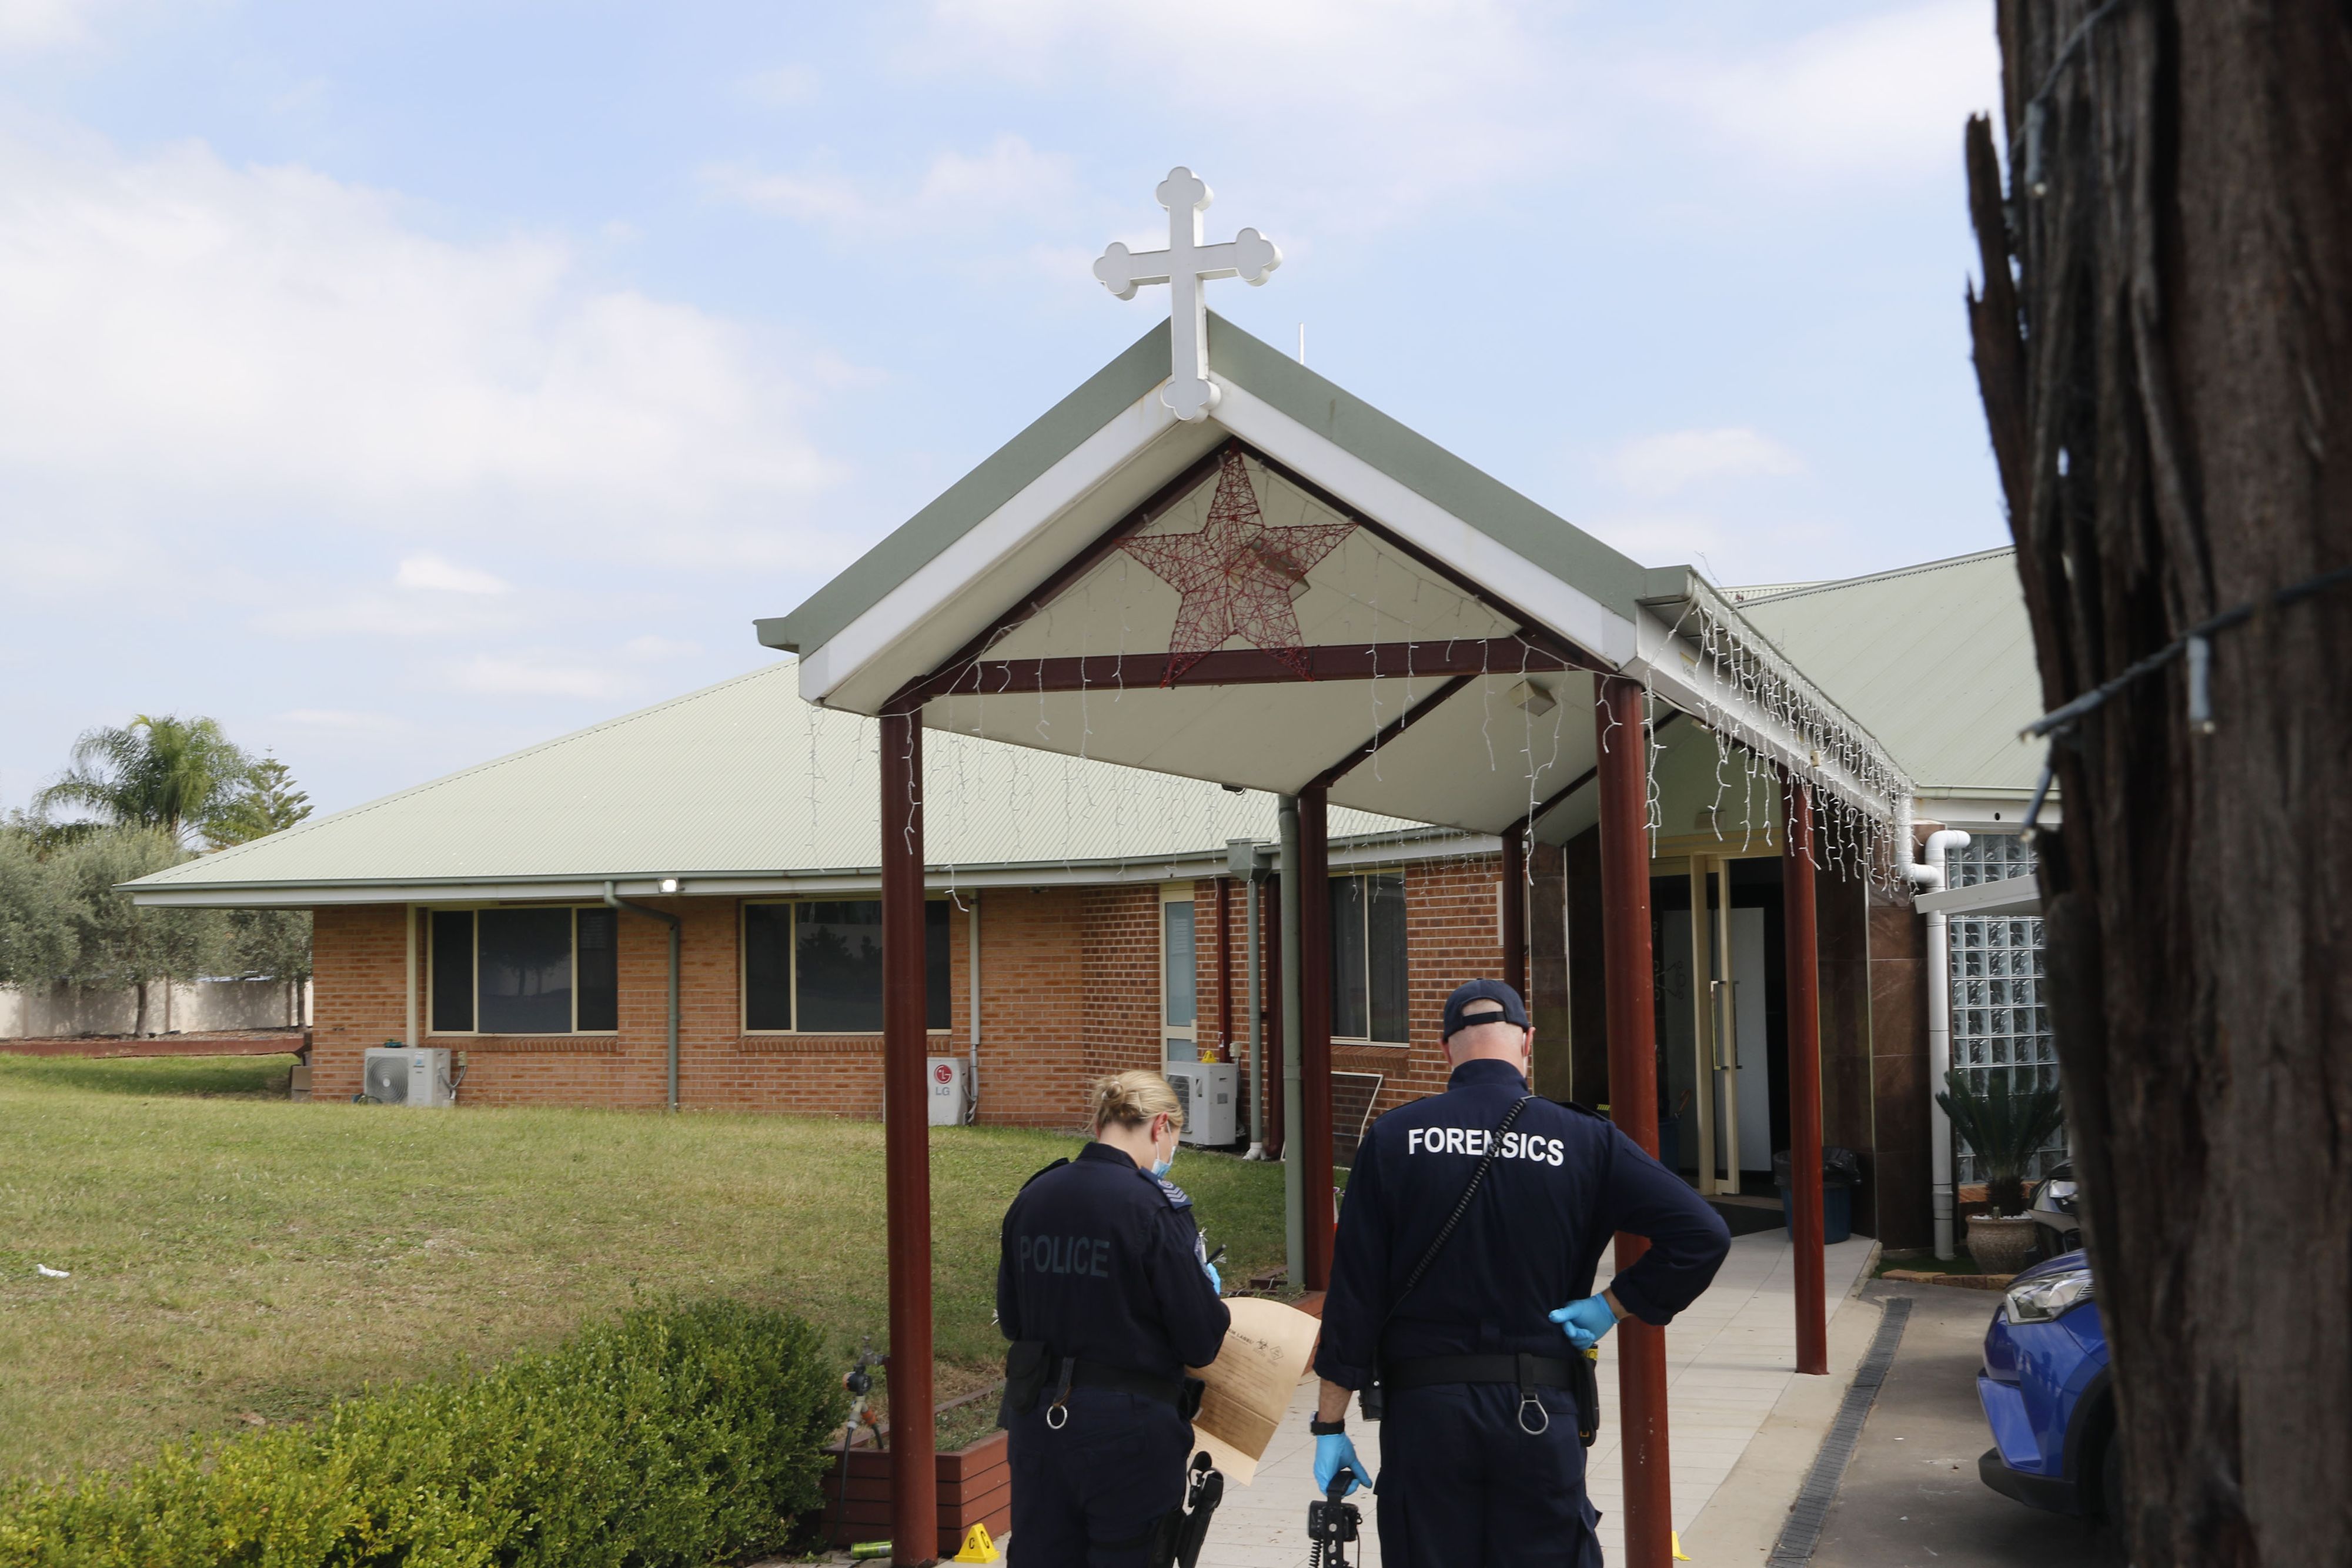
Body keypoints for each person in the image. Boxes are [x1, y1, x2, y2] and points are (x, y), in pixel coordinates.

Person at [1309, 979, 1732, 1567]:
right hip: (1538, 1411)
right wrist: (1611, 1306)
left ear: (1445, 1049)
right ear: (1529, 1042)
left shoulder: (1394, 1137)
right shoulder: (1584, 1139)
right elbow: (1703, 1234)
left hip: (1426, 1418)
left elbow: (1354, 1297)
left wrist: (1329, 1426)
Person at [998, 1069, 1231, 1566]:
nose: (1170, 1150)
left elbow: (1014, 1321)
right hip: (1129, 1431)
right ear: (1160, 1125)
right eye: (1174, 1137)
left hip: (1038, 1422)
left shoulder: (1033, 1197)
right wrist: (1207, 1294)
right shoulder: (1154, 1206)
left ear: (1100, 1122)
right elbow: (1200, 1341)